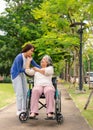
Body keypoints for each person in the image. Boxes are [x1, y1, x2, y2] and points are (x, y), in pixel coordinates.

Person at [10, 43, 40, 116]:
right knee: (19, 93)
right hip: (16, 74)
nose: (32, 53)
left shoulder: (29, 58)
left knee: (25, 92)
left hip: (22, 74)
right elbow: (19, 69)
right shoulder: (19, 57)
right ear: (26, 50)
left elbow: (36, 65)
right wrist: (29, 69)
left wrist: (44, 69)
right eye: (31, 51)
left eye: (33, 51)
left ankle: (24, 109)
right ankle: (19, 110)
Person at [25, 55, 55, 119]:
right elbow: (28, 71)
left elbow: (45, 72)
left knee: (49, 91)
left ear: (47, 63)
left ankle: (50, 112)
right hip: (38, 85)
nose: (42, 61)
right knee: (35, 90)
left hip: (48, 85)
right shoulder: (36, 69)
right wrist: (28, 61)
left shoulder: (50, 68)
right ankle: (33, 112)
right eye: (41, 61)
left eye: (44, 60)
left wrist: (37, 70)